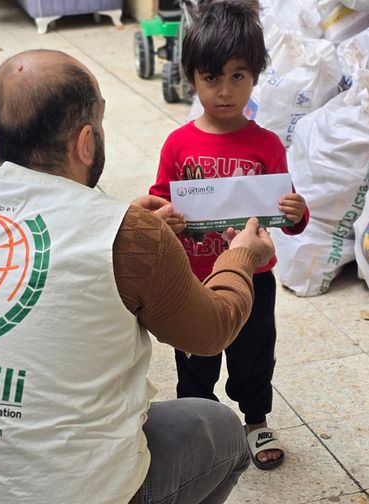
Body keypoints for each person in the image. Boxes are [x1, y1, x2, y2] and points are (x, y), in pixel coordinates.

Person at [0, 49, 276, 504]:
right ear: (85, 141)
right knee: (219, 429)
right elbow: (211, 332)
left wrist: (126, 223)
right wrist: (241, 257)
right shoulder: (131, 238)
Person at [149, 0, 309, 471]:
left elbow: (288, 215)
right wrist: (165, 217)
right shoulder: (178, 144)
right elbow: (158, 201)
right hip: (190, 279)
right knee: (195, 360)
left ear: (255, 75)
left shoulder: (266, 145)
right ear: (192, 77)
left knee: (253, 355)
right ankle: (197, 426)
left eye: (238, 76)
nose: (224, 90)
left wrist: (297, 212)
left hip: (254, 276)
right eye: (211, 77)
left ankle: (256, 421)